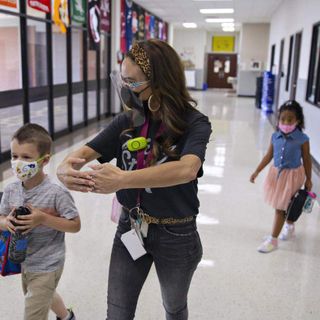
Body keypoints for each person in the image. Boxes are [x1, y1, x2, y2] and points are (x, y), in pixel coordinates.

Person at [57, 39, 212, 320]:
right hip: (131, 227)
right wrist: (64, 168)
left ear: (160, 82)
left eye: (133, 81)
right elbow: (79, 156)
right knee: (117, 312)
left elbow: (187, 169)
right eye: (123, 80)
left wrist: (123, 180)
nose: (126, 88)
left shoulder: (194, 123)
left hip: (177, 234)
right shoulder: (128, 121)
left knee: (174, 307)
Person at [0, 123, 80, 320]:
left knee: (34, 309)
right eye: (14, 156)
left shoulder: (56, 192)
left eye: (26, 157)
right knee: (43, 294)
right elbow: (1, 217)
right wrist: (6, 223)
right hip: (24, 259)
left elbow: (75, 225)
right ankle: (67, 316)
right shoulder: (11, 190)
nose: (18, 163)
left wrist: (43, 218)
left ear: (44, 161)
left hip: (48, 262)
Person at [250, 100, 312, 253]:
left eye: (289, 120)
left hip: (293, 177)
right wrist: (257, 171)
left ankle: (273, 240)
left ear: (297, 121)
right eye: (282, 119)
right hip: (277, 175)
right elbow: (268, 155)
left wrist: (309, 179)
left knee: (281, 208)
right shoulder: (275, 136)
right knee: (286, 205)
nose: (285, 122)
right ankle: (289, 227)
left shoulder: (302, 139)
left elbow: (307, 159)